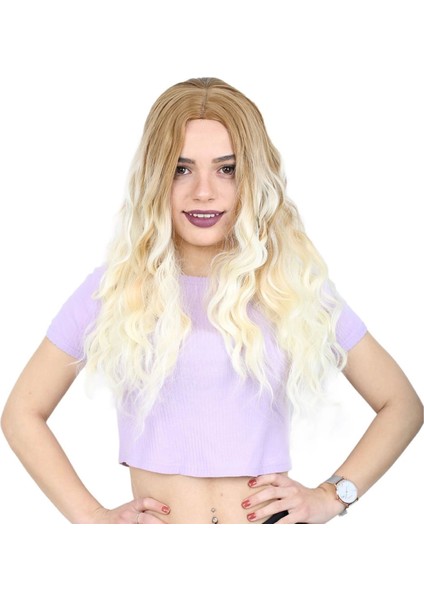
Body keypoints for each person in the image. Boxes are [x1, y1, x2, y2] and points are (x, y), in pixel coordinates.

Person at [2, 77, 422, 524]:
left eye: (227, 169)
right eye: (181, 169)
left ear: (253, 177)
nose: (203, 191)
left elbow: (401, 405)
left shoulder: (291, 286)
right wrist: (93, 518)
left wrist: (330, 496)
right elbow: (22, 413)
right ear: (155, 177)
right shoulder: (116, 288)